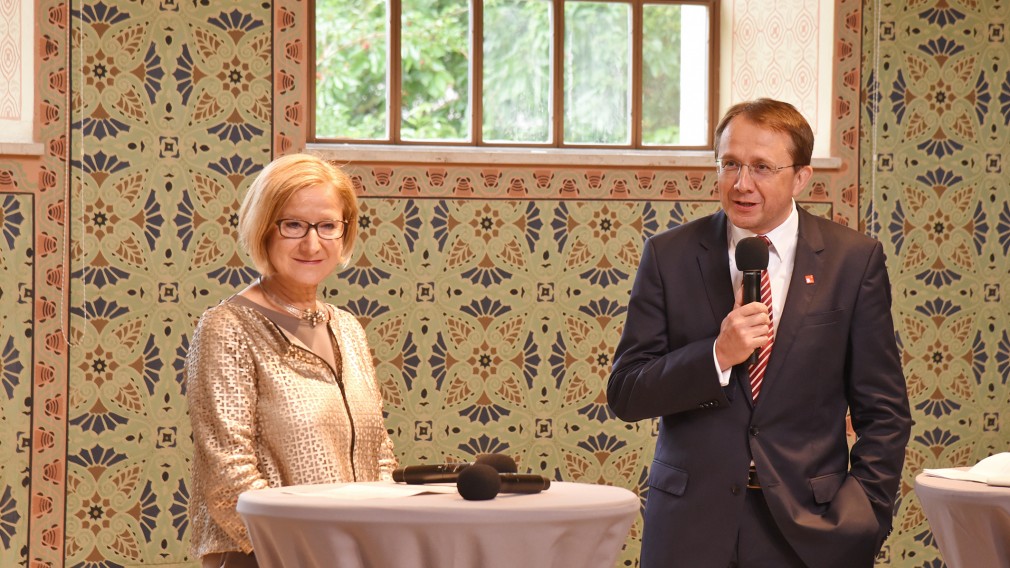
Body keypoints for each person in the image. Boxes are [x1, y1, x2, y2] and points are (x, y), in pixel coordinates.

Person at [607, 99, 911, 568]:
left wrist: (864, 515)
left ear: (801, 177)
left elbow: (885, 412)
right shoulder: (668, 256)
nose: (741, 184)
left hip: (811, 530)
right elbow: (627, 393)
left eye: (762, 168)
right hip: (691, 530)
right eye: (730, 164)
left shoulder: (853, 261)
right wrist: (716, 356)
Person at [186, 153, 397, 568]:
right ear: (263, 229)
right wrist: (308, 552)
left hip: (357, 554)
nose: (312, 243)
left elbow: (380, 455)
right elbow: (228, 477)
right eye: (293, 225)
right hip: (268, 558)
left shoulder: (349, 328)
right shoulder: (228, 327)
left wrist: (382, 535)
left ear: (345, 231)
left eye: (327, 225)